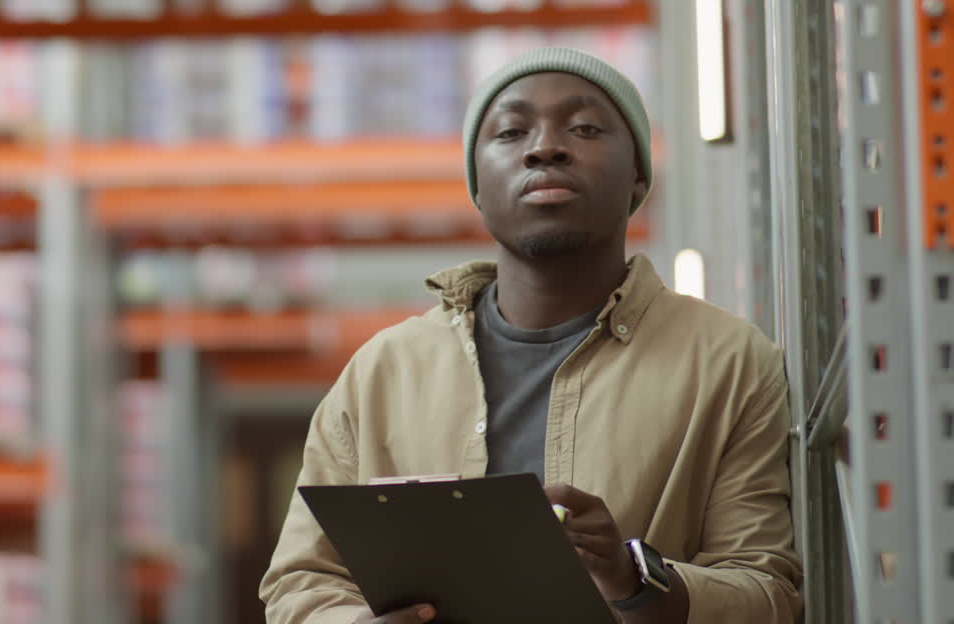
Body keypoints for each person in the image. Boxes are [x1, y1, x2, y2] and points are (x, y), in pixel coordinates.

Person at [258, 48, 801, 624]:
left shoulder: (729, 361)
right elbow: (301, 582)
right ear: (477, 186)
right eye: (512, 131)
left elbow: (768, 593)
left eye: (585, 128)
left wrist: (634, 577)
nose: (545, 147)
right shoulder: (384, 372)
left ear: (638, 173)